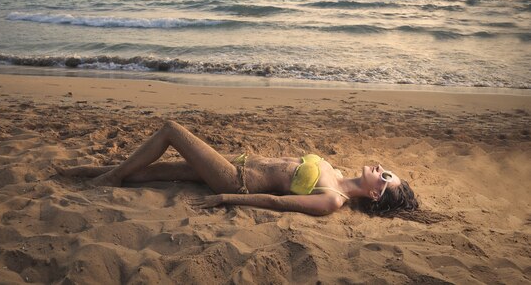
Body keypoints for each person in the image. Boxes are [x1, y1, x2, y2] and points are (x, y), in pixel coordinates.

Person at [55, 120, 419, 217]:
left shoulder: (332, 199)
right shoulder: (335, 171)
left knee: (171, 130)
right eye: (385, 169)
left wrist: (226, 197)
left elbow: (277, 203)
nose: (380, 168)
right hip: (238, 161)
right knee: (156, 172)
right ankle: (86, 171)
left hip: (235, 179)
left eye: (385, 177)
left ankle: (109, 176)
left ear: (375, 193)